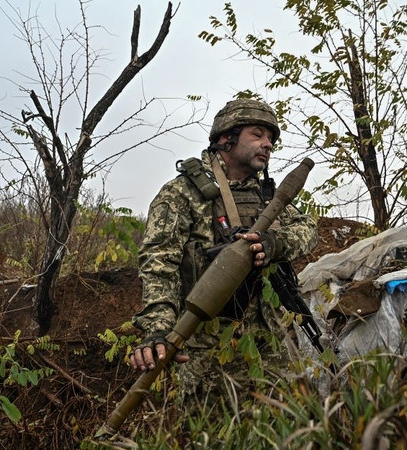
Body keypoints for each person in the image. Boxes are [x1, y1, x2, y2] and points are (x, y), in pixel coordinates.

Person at [130, 98, 318, 419]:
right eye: (257, 134)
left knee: (284, 430)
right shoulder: (182, 194)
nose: (267, 144)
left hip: (267, 341)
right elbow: (159, 266)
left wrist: (274, 243)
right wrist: (158, 329)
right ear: (225, 139)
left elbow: (308, 230)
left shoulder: (266, 196)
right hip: (206, 347)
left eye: (271, 138)